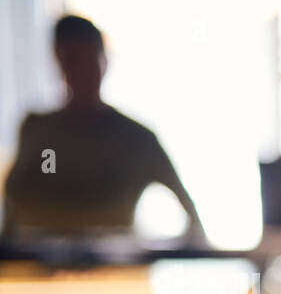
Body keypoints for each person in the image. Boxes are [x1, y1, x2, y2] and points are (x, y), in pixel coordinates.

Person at [1, 15, 204, 242]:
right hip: (42, 270)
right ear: (59, 61)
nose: (83, 73)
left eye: (90, 60)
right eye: (73, 61)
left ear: (105, 61)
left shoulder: (136, 139)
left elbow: (193, 220)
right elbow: (12, 209)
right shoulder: (38, 132)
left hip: (115, 270)